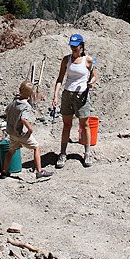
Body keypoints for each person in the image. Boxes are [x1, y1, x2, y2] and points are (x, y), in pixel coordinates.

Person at [51, 33, 98, 169]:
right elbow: (60, 79)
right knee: (66, 125)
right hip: (67, 94)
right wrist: (55, 95)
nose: (73, 49)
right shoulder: (66, 60)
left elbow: (95, 76)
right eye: (71, 46)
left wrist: (91, 83)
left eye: (75, 46)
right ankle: (63, 153)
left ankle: (87, 153)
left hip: (82, 95)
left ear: (81, 46)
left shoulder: (88, 60)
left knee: (85, 125)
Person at [1, 82, 53, 179]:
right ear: (31, 94)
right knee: (36, 147)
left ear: (19, 90)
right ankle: (39, 171)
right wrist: (30, 128)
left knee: (11, 150)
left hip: (12, 132)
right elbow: (24, 119)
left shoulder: (14, 101)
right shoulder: (26, 106)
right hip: (21, 133)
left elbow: (7, 110)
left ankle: (4, 171)